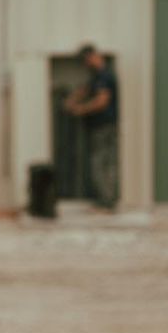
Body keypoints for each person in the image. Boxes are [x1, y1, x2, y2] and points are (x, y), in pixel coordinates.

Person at [64, 44, 119, 209]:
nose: (85, 65)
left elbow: (102, 101)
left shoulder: (104, 76)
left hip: (103, 126)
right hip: (102, 126)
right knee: (104, 162)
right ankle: (107, 199)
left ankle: (107, 201)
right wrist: (71, 100)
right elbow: (85, 90)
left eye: (85, 61)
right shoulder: (97, 76)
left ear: (91, 57)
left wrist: (81, 109)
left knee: (100, 163)